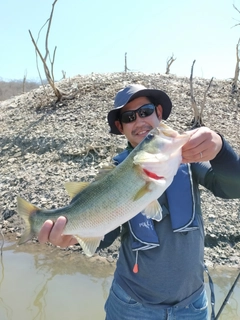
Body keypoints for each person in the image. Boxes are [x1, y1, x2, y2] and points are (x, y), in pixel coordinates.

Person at [38, 84, 240, 320]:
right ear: (120, 126)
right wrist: (74, 237)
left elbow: (233, 187)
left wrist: (220, 148)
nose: (140, 121)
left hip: (192, 307)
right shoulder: (113, 174)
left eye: (145, 111)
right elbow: (105, 235)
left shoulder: (188, 159)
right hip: (130, 307)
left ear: (159, 112)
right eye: (129, 117)